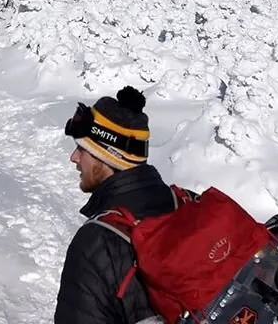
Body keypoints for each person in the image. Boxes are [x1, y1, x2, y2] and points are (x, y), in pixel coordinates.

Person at [54, 86, 182, 324]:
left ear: (108, 155)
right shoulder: (185, 203)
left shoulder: (95, 243)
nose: (74, 157)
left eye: (83, 149)